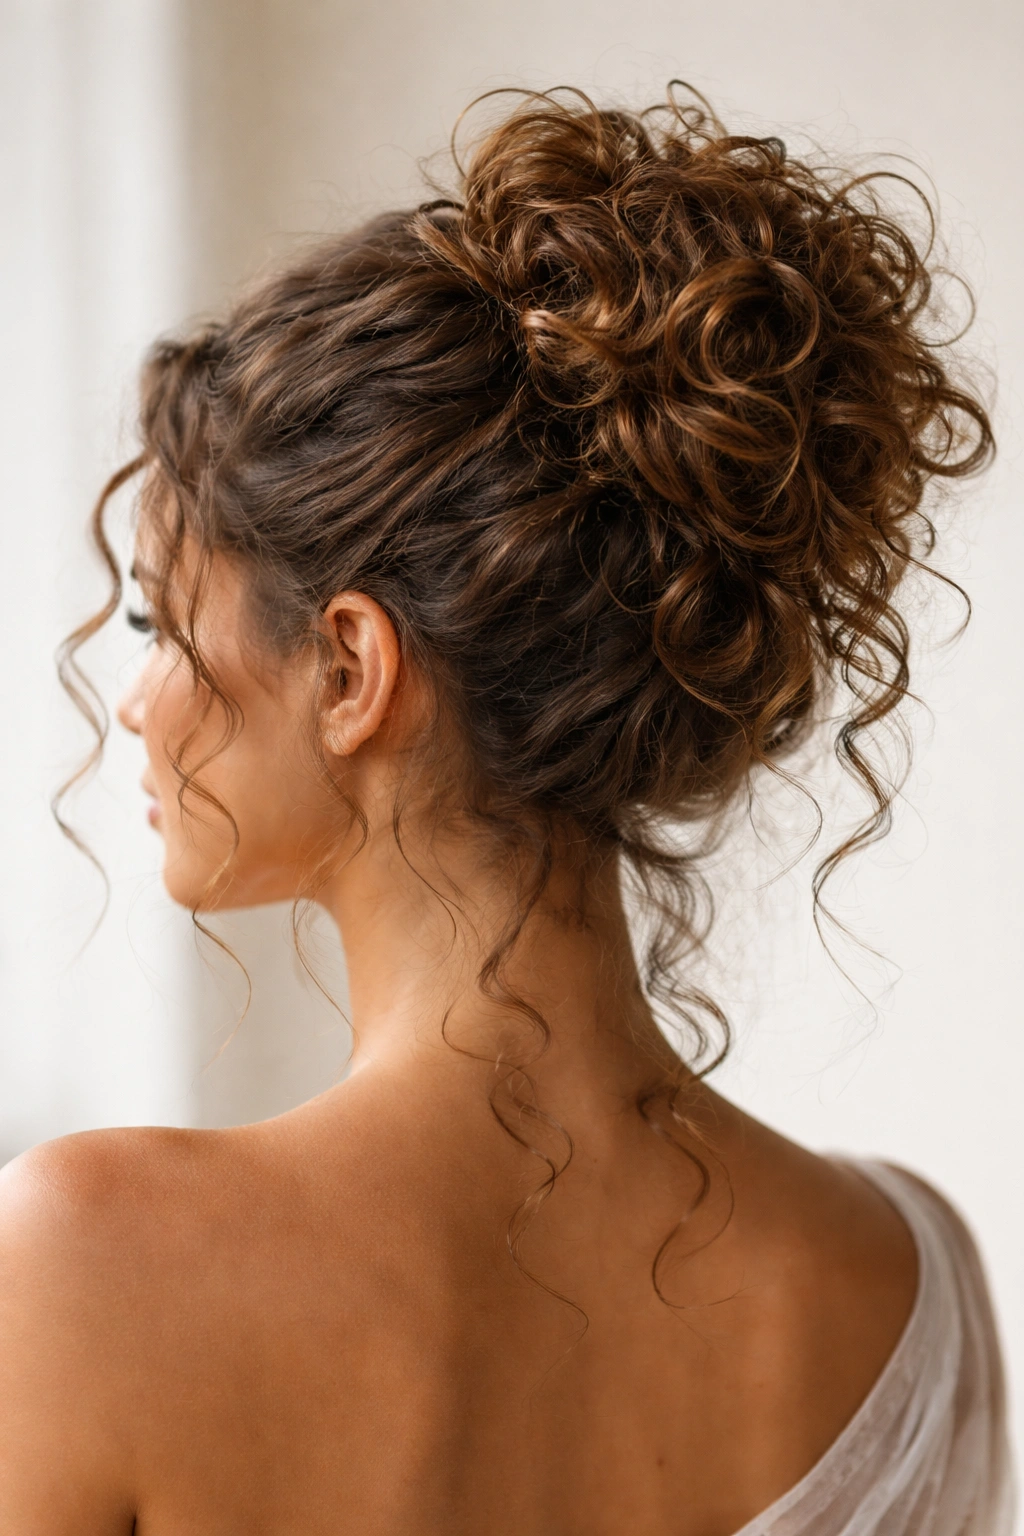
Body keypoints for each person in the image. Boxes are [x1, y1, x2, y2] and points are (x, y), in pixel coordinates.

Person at [0, 88, 1012, 1535]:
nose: (139, 701)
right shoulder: (910, 1302)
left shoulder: (78, 1265)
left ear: (351, 668)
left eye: (167, 625)